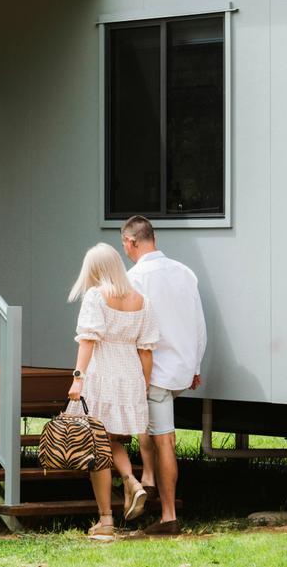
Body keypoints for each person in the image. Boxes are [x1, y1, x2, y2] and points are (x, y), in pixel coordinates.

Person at [121, 215, 207, 537]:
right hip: (183, 368)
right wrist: (196, 366)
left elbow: (134, 329)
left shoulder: (135, 278)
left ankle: (169, 517)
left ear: (131, 242)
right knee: (151, 421)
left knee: (165, 439)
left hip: (154, 370)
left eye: (125, 246)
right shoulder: (186, 273)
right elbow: (199, 324)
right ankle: (149, 480)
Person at [68, 242, 160, 539]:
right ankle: (131, 482)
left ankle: (106, 519)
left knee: (97, 445)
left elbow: (88, 341)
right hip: (130, 375)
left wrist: (77, 378)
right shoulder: (142, 301)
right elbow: (146, 350)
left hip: (102, 376)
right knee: (107, 439)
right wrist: (142, 386)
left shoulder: (96, 296)